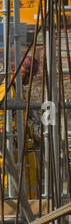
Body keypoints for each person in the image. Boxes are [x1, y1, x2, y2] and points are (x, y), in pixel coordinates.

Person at [0, 56, 41, 201]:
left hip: (20, 150)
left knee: (24, 190)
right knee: (11, 190)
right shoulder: (8, 92)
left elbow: (21, 120)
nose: (30, 80)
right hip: (10, 152)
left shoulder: (18, 92)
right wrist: (11, 138)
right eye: (30, 75)